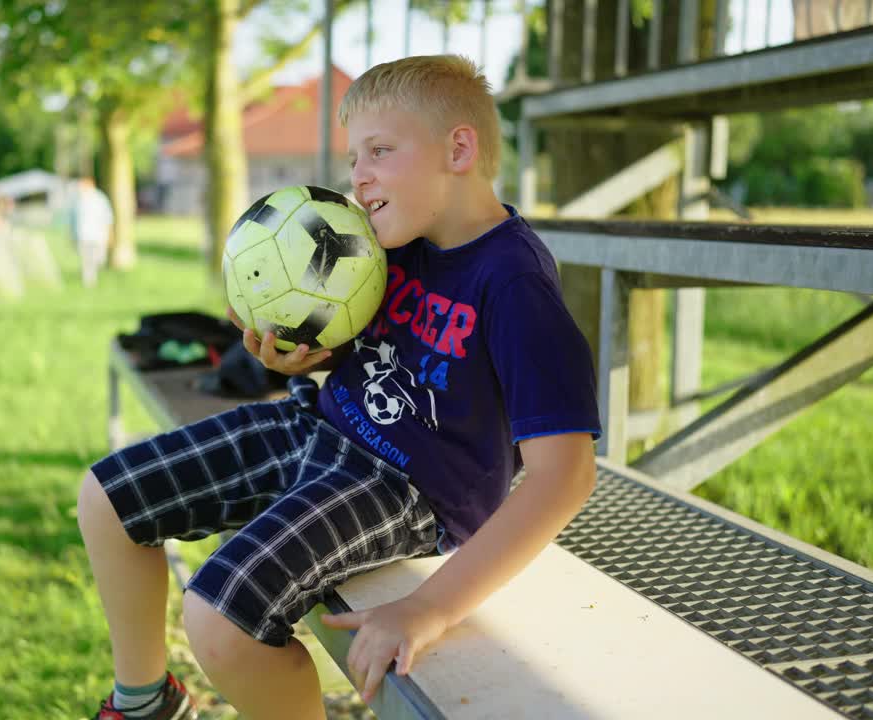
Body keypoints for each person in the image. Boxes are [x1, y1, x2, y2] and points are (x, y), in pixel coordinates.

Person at [77, 54, 602, 720]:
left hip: (407, 485)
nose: (358, 176)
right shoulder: (390, 245)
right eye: (355, 156)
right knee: (106, 499)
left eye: (380, 151)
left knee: (217, 617)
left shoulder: (513, 282)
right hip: (319, 423)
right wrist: (308, 361)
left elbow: (567, 475)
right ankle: (145, 702)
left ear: (459, 148)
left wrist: (430, 606)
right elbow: (385, 362)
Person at [71, 176, 114, 287]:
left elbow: (108, 217)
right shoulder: (78, 200)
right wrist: (72, 235)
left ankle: (92, 275)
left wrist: (109, 234)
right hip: (83, 235)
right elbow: (73, 219)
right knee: (86, 260)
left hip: (97, 235)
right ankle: (89, 282)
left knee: (98, 259)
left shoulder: (100, 199)